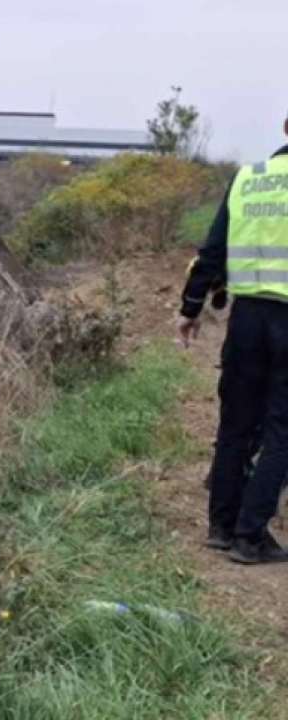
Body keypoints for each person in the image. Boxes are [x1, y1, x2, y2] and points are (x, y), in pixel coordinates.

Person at [178, 114, 288, 564]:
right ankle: (251, 535)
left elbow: (212, 249)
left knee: (235, 424)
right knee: (282, 430)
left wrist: (190, 308)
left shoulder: (248, 179)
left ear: (284, 127)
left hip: (245, 319)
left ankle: (221, 525)